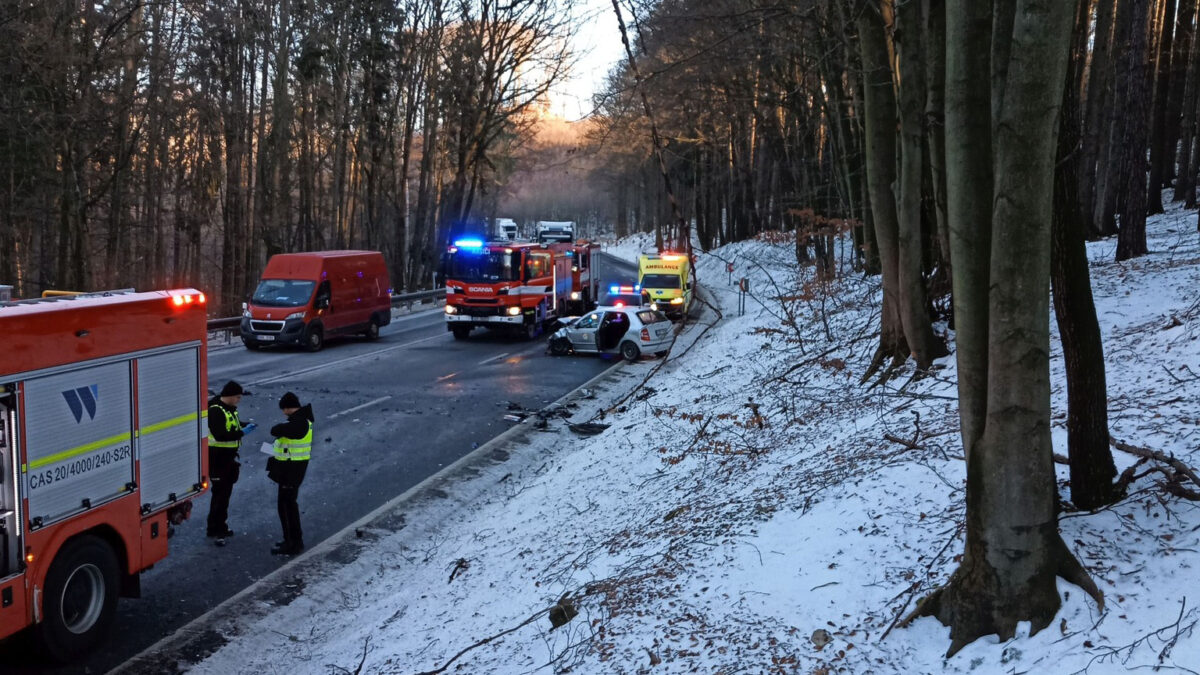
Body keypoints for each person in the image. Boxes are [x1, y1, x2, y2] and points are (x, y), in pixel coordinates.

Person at [206, 380, 255, 543]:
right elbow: (220, 434)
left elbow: (232, 425)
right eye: (238, 397)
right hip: (217, 458)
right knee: (220, 495)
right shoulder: (215, 411)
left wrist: (244, 425)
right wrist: (242, 432)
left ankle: (218, 526)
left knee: (223, 494)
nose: (239, 401)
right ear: (230, 396)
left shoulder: (228, 409)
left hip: (227, 458)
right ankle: (217, 528)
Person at [267, 391, 313, 555]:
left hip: (292, 470)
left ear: (287, 408)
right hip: (290, 469)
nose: (283, 413)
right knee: (285, 505)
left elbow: (278, 430)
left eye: (283, 409)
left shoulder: (300, 422)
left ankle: (293, 542)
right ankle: (291, 539)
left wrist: (279, 429)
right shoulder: (300, 420)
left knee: (287, 506)